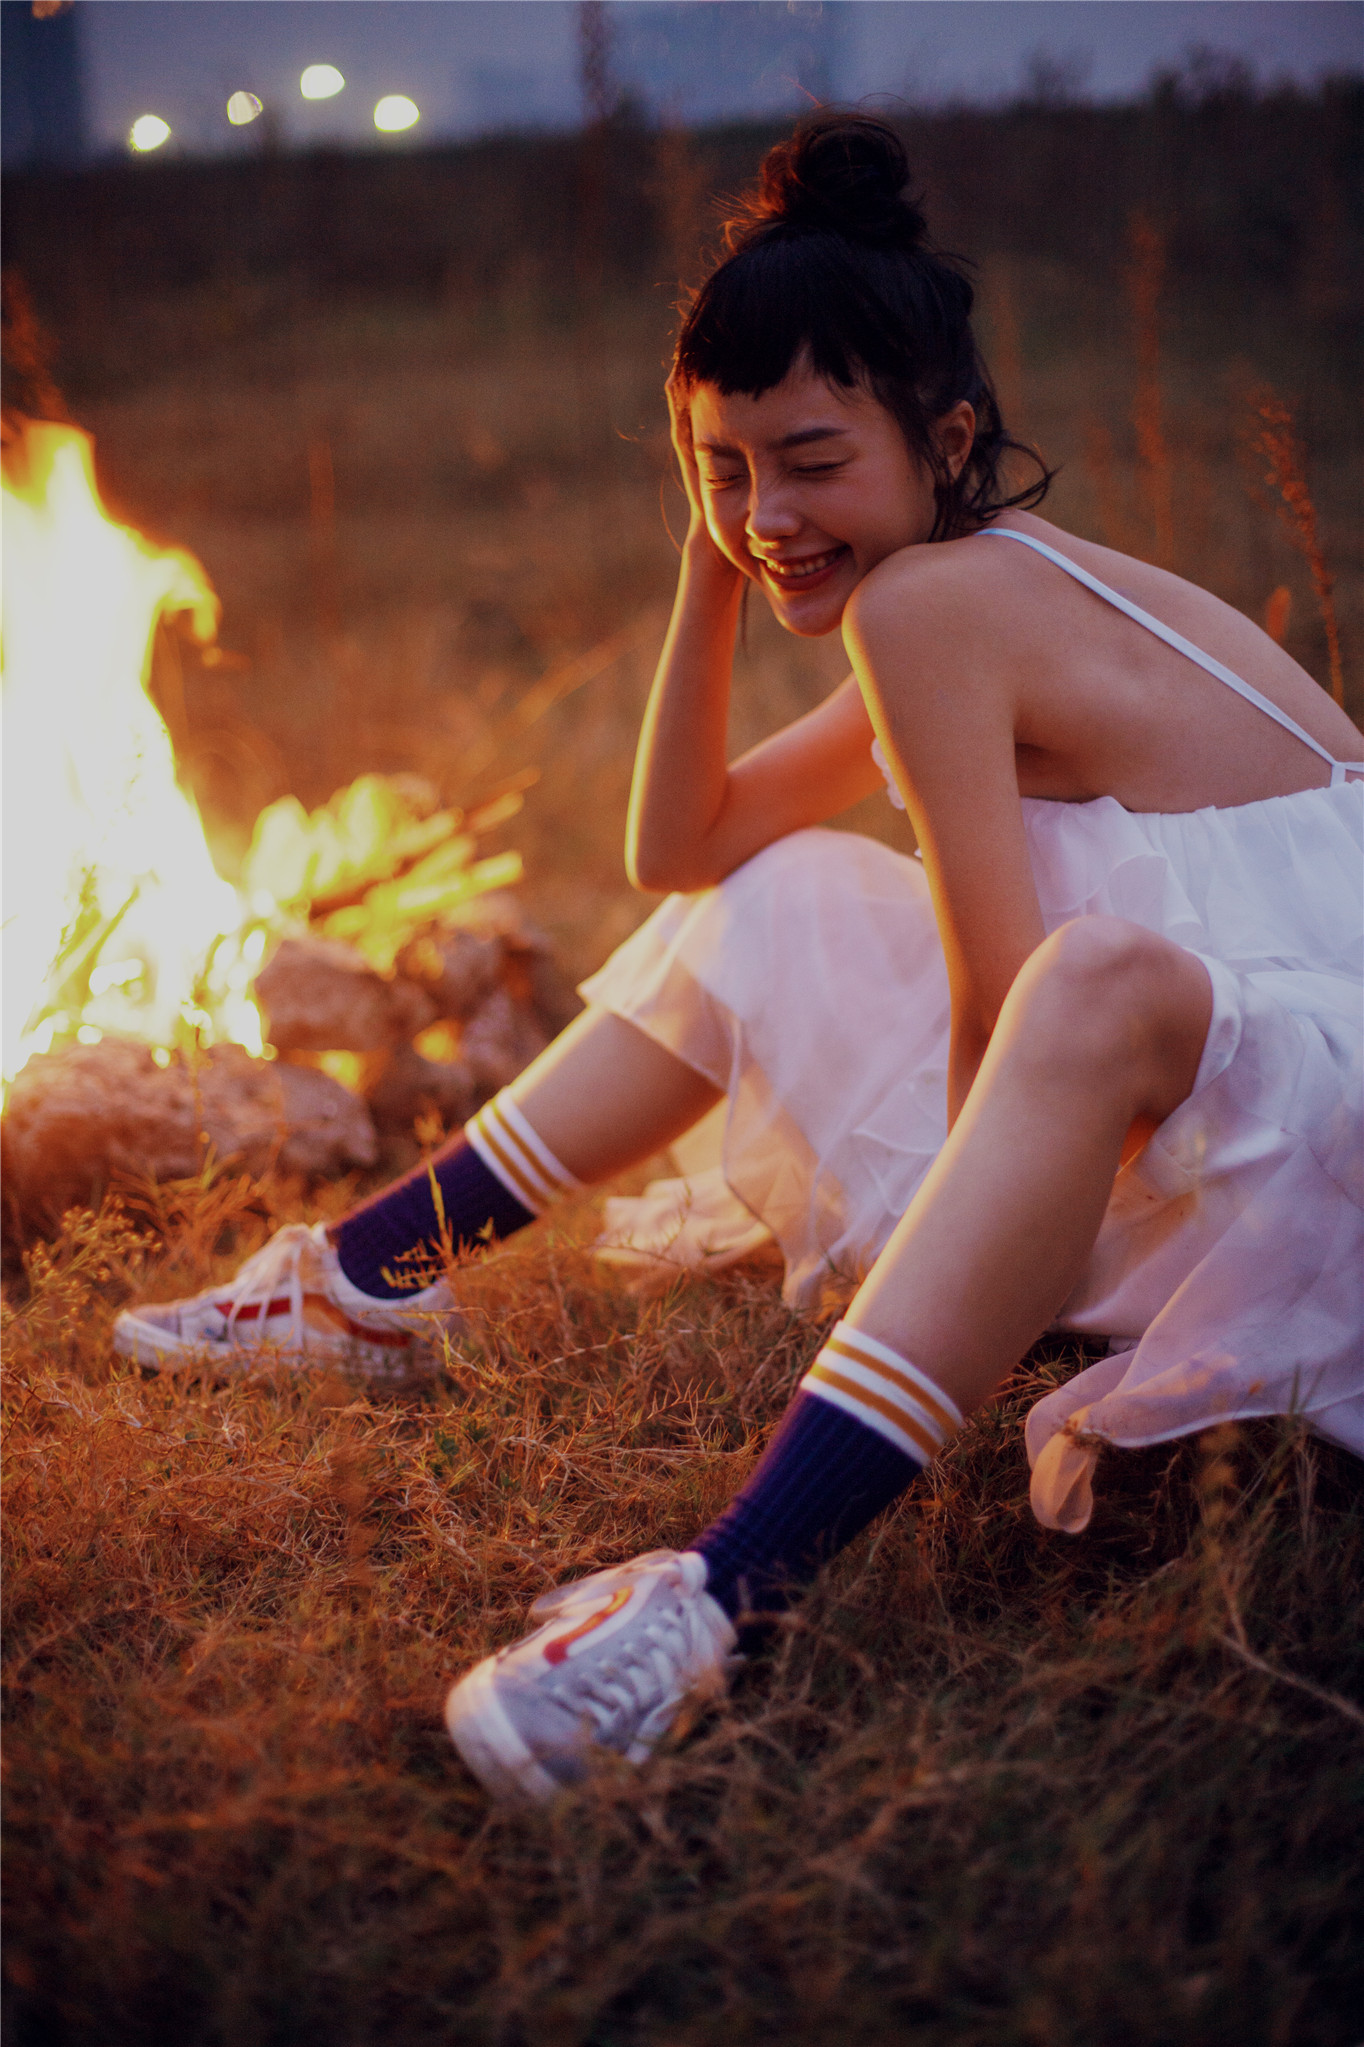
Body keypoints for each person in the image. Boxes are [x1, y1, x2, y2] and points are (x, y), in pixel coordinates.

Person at [113, 115, 1364, 1803]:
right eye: (722, 466)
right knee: (784, 890)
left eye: (810, 459)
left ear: (948, 436)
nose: (767, 512)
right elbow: (687, 847)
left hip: (1321, 1138)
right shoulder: (961, 591)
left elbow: (1004, 1005)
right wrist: (712, 563)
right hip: (1234, 1104)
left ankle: (724, 1597)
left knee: (1078, 989)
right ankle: (369, 1280)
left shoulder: (936, 611)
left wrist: (949, 1257)